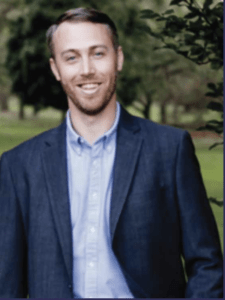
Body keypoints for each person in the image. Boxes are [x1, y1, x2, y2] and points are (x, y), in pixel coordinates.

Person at [0, 7, 223, 299]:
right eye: (71, 57)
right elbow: (7, 284)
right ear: (56, 69)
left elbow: (206, 264)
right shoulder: (19, 166)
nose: (86, 69)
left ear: (118, 58)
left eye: (98, 53)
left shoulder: (169, 150)